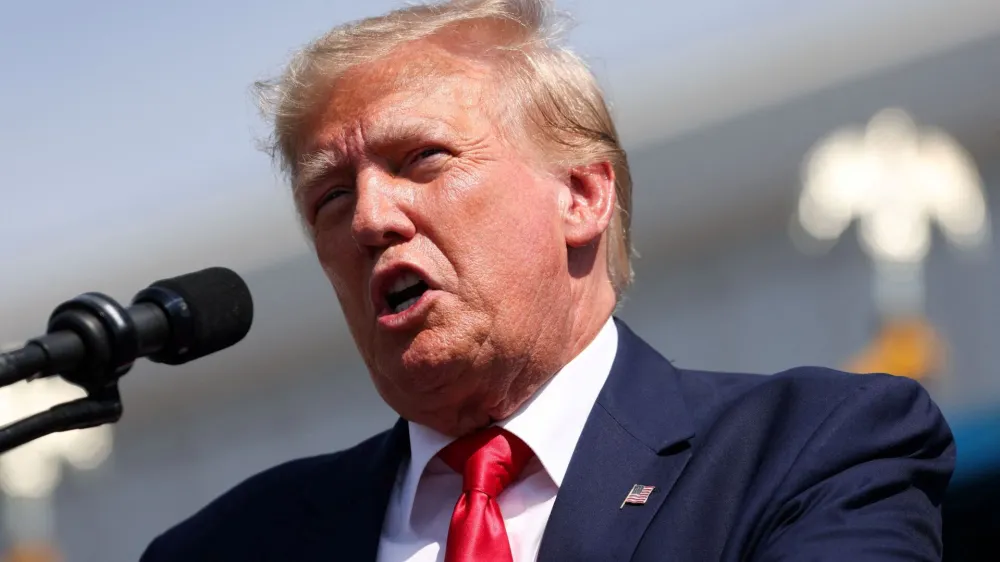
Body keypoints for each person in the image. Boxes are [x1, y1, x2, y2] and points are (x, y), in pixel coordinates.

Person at [141, 0, 955, 560]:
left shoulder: (812, 449)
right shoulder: (227, 546)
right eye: (331, 195)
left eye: (421, 158)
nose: (370, 218)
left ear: (582, 196)